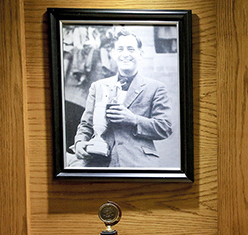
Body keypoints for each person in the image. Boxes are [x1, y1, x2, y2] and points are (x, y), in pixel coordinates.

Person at [70, 28, 172, 168]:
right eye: (120, 49)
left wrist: (133, 119)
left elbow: (164, 127)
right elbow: (86, 125)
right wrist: (80, 142)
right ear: (113, 53)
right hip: (98, 162)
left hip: (138, 163)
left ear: (140, 53)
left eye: (130, 49)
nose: (125, 54)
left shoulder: (156, 88)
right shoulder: (97, 86)